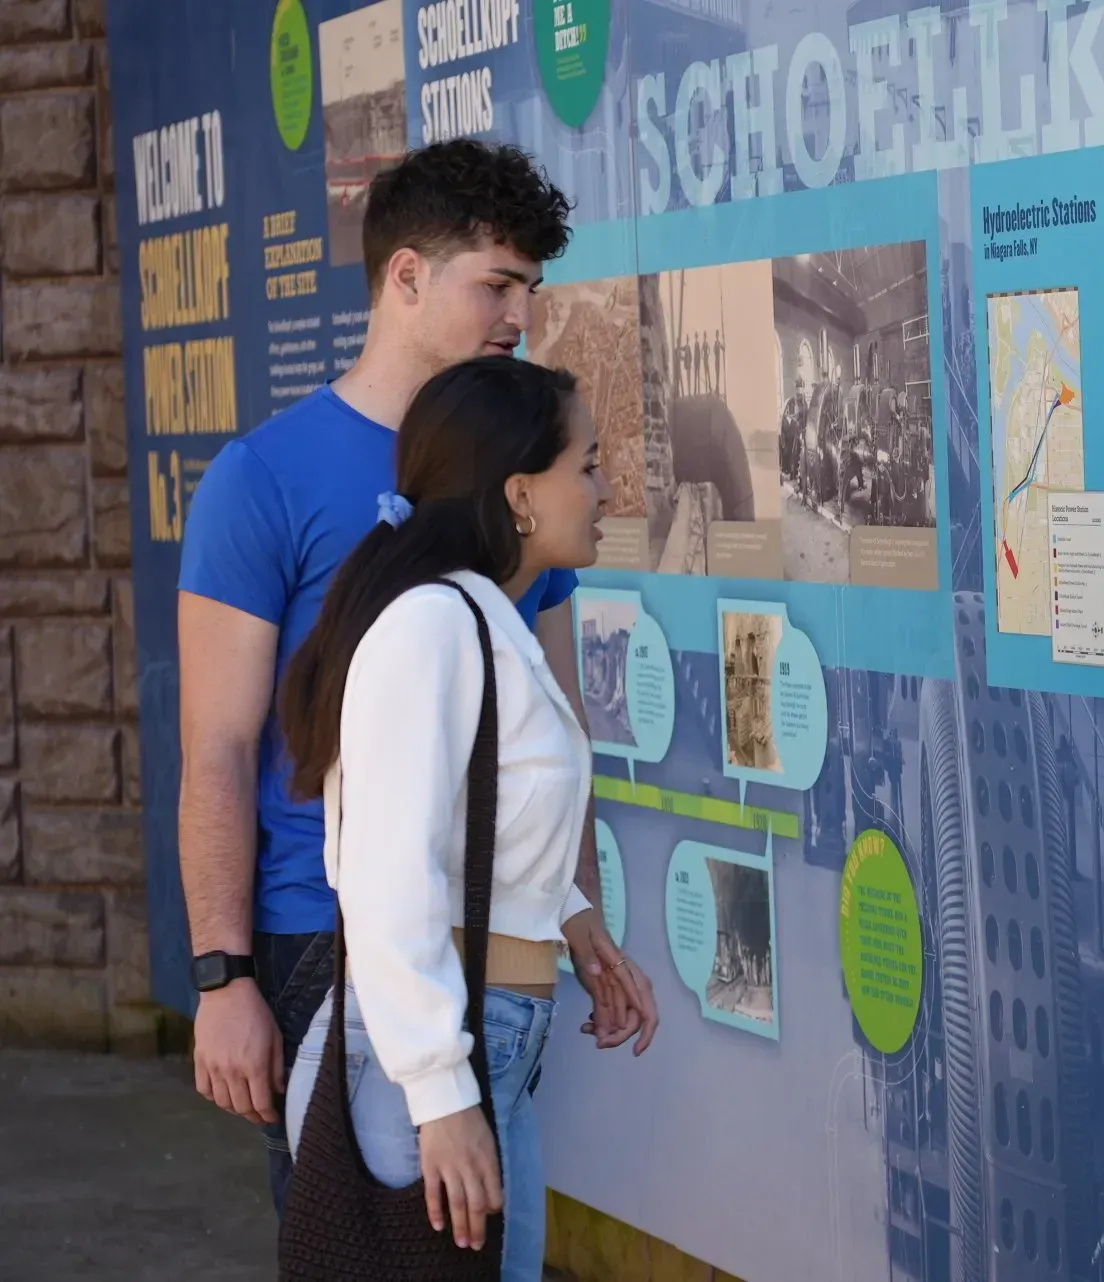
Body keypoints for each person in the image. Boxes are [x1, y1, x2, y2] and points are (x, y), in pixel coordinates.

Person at [176, 139, 658, 1212]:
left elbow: (558, 718)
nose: (520, 315)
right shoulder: (261, 480)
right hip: (325, 941)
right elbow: (218, 749)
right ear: (405, 276)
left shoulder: (518, 482)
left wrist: (575, 912)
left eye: (531, 288)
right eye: (497, 284)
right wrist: (224, 974)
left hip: (487, 947)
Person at [280, 356, 614, 1275]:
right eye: (587, 465)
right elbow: (388, 874)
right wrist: (439, 1094)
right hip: (422, 1067)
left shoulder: (477, 617)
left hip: (481, 1047)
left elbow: (483, 824)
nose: (605, 489)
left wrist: (573, 920)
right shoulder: (433, 625)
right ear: (520, 494)